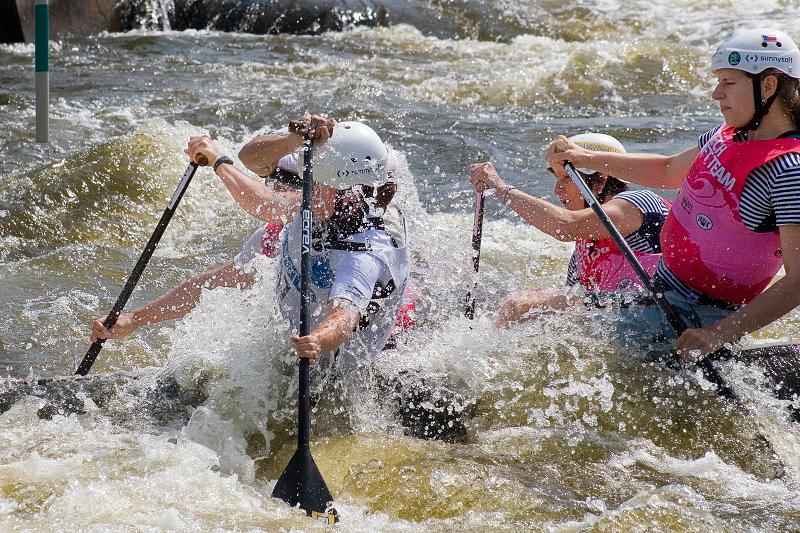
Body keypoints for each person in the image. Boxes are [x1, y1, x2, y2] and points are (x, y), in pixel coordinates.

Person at [545, 28, 800, 361]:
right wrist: (586, 158)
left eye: (728, 83)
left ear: (767, 86)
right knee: (546, 318)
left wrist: (716, 335)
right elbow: (666, 170)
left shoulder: (788, 171)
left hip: (695, 315)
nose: (716, 94)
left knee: (555, 342)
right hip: (659, 284)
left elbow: (796, 282)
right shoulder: (726, 135)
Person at [93, 116, 412, 368]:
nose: (305, 186)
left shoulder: (366, 253)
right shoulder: (313, 207)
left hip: (368, 358)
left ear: (350, 195)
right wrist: (134, 319)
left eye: (316, 183)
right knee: (242, 270)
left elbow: (344, 316)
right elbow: (252, 158)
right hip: (308, 341)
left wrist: (318, 341)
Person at [469, 133, 671, 327]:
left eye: (566, 178)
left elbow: (565, 226)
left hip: (667, 315)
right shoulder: (585, 245)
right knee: (515, 305)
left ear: (600, 180)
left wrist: (500, 188)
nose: (557, 190)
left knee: (518, 305)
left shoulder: (640, 203)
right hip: (623, 321)